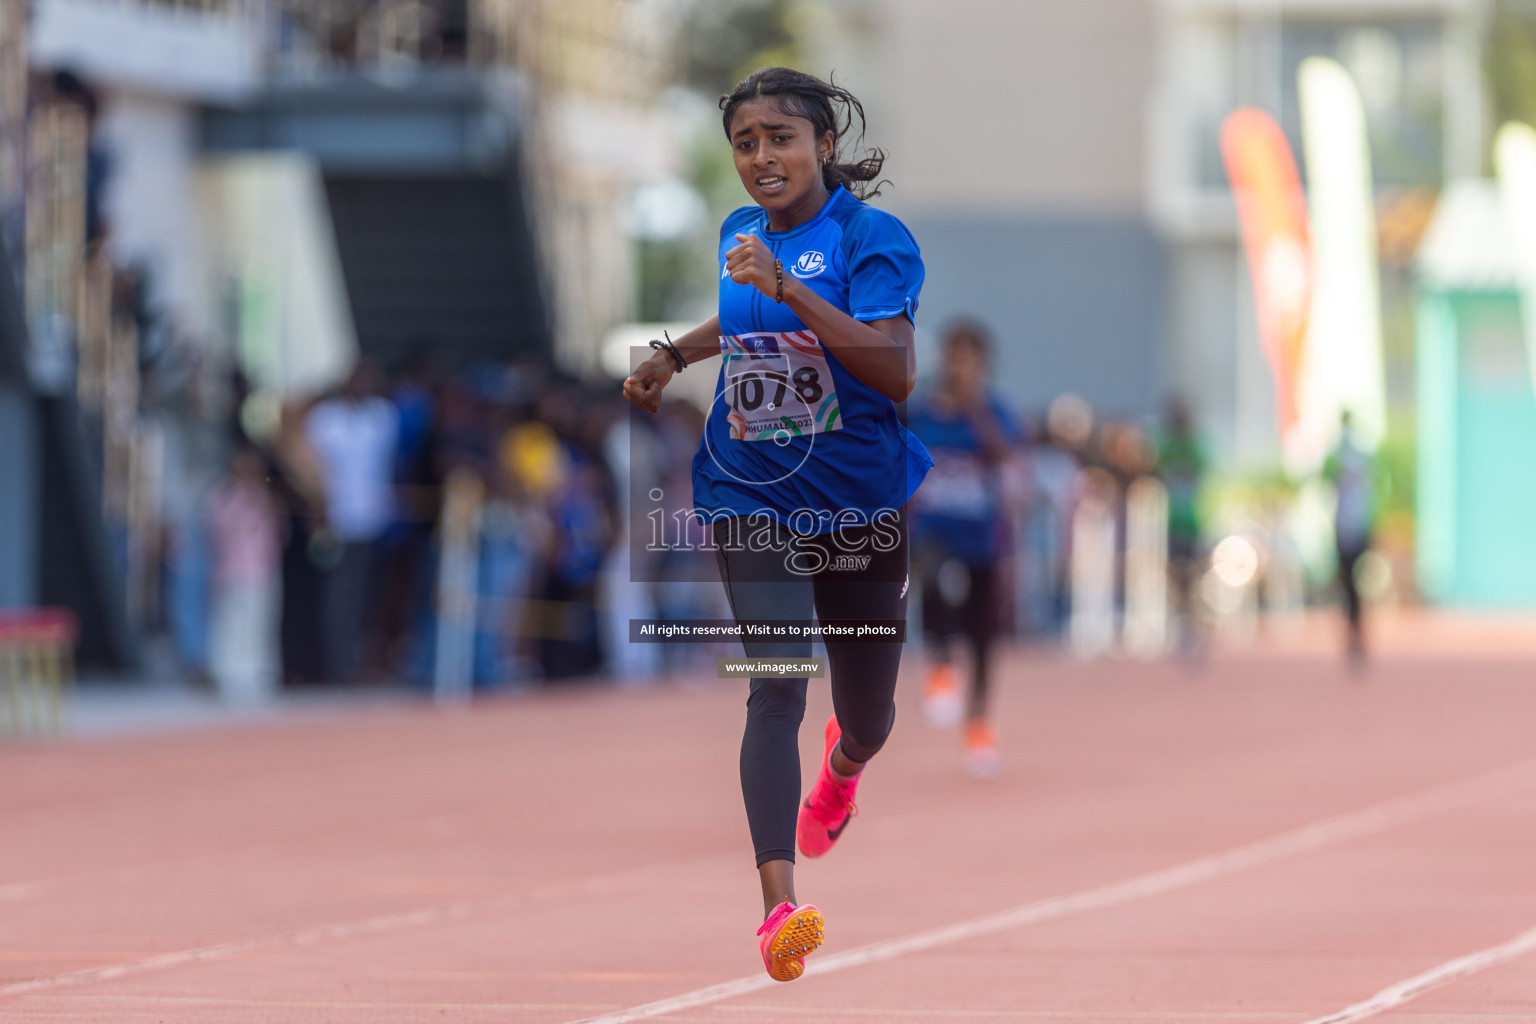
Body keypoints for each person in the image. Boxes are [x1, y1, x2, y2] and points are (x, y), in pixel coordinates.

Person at [622, 67, 930, 982]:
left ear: (824, 145)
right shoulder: (738, 234)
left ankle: (845, 769)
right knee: (777, 684)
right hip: (749, 489)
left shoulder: (873, 239)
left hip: (859, 506)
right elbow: (743, 311)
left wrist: (792, 290)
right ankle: (778, 911)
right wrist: (675, 353)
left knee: (867, 716)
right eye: (746, 143)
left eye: (781, 139)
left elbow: (896, 368)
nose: (762, 157)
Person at [907, 321, 1021, 777]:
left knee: (983, 636)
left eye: (971, 358)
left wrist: (974, 409)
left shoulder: (994, 410)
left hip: (983, 535)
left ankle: (978, 724)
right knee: (932, 577)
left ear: (984, 364)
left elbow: (1007, 453)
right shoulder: (924, 411)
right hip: (935, 527)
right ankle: (938, 664)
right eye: (955, 357)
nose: (961, 366)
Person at [305, 362, 400, 682]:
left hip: (374, 518)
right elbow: (313, 470)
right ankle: (336, 665)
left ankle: (361, 660)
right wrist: (320, 511)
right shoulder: (325, 420)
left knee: (367, 594)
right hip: (337, 519)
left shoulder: (382, 416)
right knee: (338, 596)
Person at [1324, 410, 1374, 665]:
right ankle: (1353, 631)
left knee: (1353, 584)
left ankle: (1357, 631)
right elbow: (1326, 482)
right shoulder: (1339, 455)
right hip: (1345, 525)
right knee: (1347, 584)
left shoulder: (1356, 454)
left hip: (1355, 524)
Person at [1158, 399, 1207, 655]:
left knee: (1192, 575)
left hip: (1191, 521)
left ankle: (1194, 625)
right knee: (1175, 575)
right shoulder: (1166, 447)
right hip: (1170, 522)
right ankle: (1183, 622)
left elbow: (1202, 474)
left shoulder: (1195, 447)